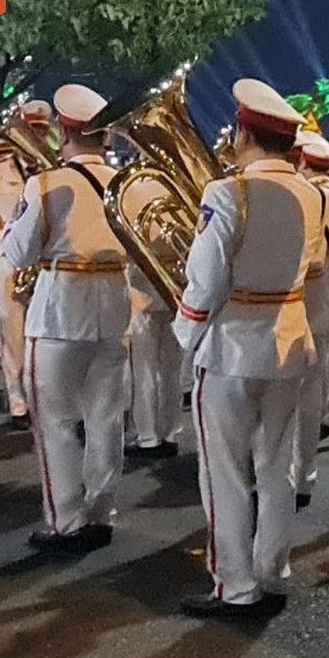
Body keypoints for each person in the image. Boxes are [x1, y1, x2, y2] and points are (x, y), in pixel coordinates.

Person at [173, 78, 322, 618]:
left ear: (242, 132)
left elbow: (206, 278)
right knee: (277, 464)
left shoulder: (226, 192)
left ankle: (234, 584)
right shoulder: (312, 193)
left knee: (226, 473)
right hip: (288, 339)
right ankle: (273, 571)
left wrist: (185, 333)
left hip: (233, 346)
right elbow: (314, 265)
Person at [4, 84, 133, 548]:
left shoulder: (46, 183)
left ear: (64, 131)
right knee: (106, 415)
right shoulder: (127, 183)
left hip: (61, 307)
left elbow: (17, 253)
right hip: (115, 302)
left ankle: (65, 519)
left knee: (55, 419)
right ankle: (102, 510)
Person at [288, 131, 329, 508]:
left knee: (287, 394)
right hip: (328, 281)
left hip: (302, 289)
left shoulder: (298, 194)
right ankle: (306, 468)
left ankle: (289, 473)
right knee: (324, 365)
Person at [119, 117, 186, 461]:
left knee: (144, 366)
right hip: (175, 285)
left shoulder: (131, 185)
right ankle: (171, 431)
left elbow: (122, 239)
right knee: (172, 366)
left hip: (143, 285)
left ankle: (147, 435)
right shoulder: (181, 182)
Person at [0, 118, 39, 433]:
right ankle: (18, 400)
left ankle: (41, 396)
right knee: (13, 331)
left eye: (42, 132)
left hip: (42, 261)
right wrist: (10, 239)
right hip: (9, 261)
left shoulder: (47, 171)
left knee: (41, 332)